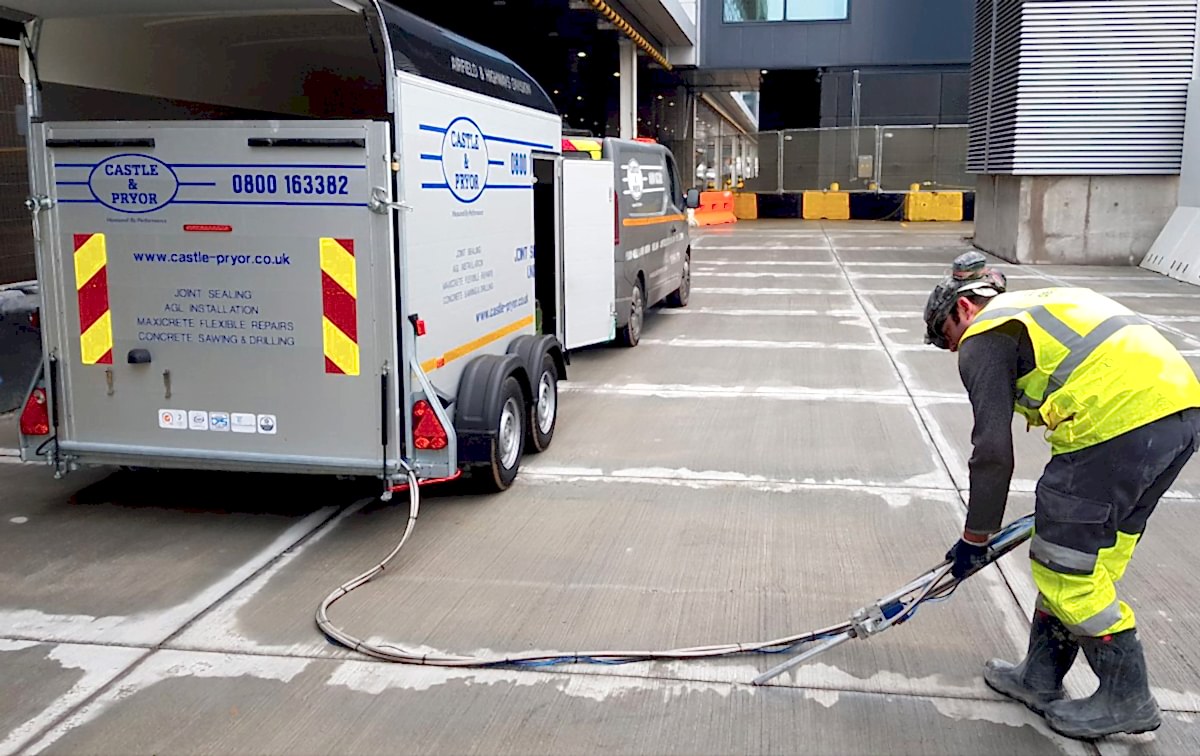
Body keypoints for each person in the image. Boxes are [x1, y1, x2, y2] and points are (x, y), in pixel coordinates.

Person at [923, 251, 1200, 740]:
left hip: (1116, 424)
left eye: (948, 338)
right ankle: (1040, 676)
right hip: (1177, 414)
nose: (954, 352)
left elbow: (991, 452)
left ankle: (1127, 696)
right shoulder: (1037, 307)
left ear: (964, 308)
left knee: (1063, 568)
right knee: (1087, 561)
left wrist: (975, 538)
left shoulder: (984, 333)